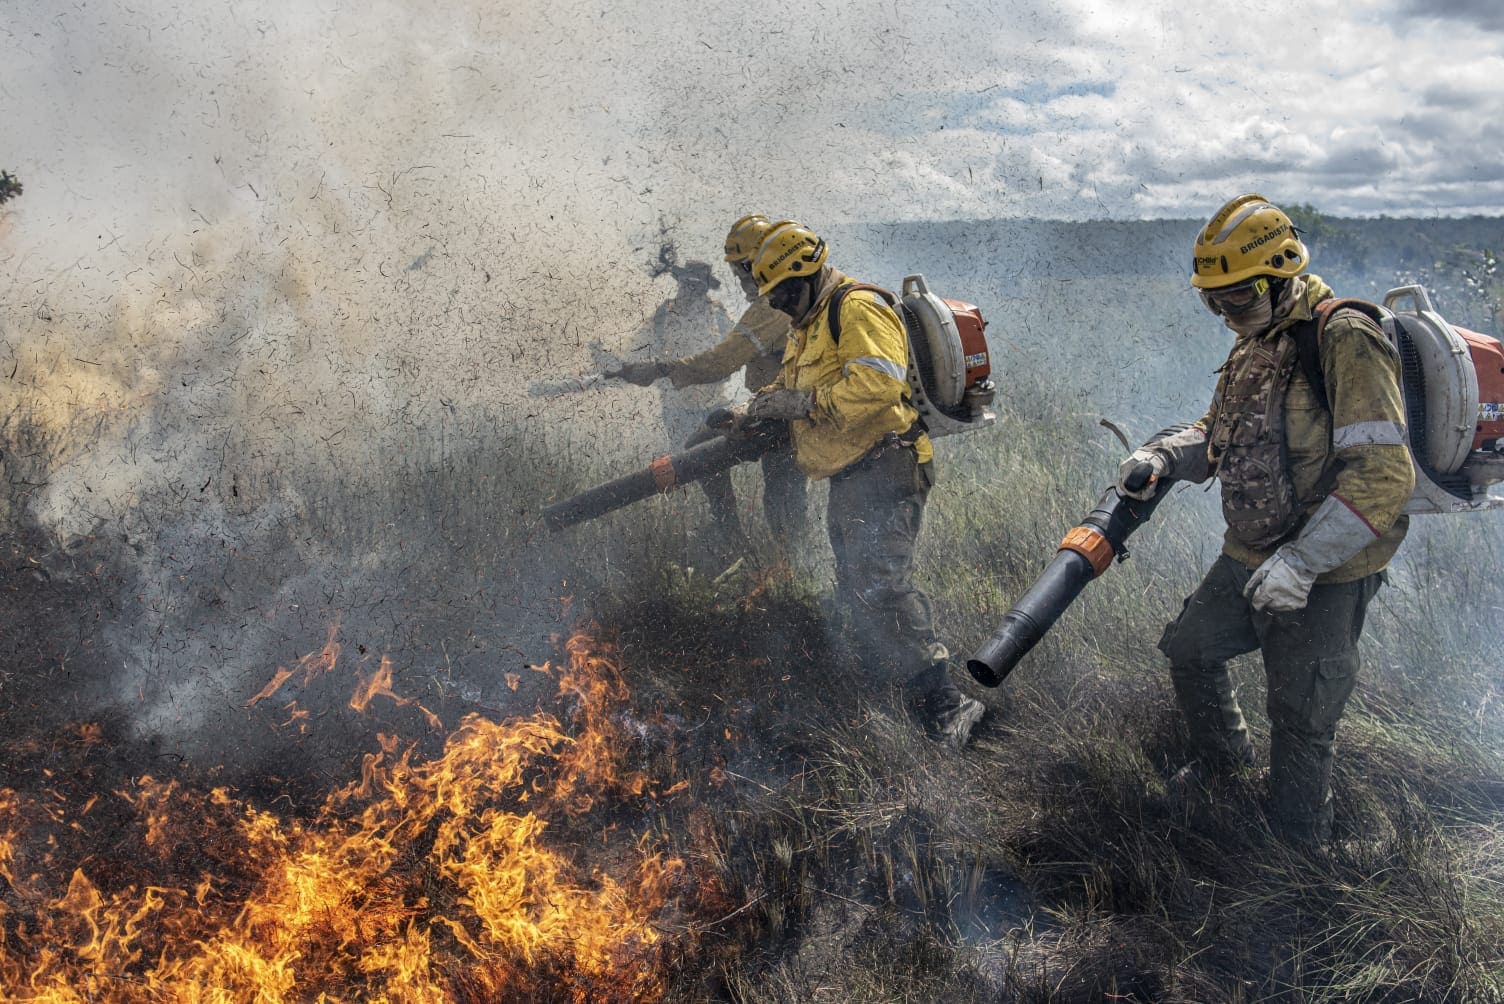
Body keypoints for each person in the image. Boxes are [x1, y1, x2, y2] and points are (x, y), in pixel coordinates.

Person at [1117, 193, 1415, 845]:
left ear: (1283, 275)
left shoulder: (1345, 336)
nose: (1225, 315)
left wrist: (1305, 563)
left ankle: (1298, 860)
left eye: (1238, 297)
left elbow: (1385, 474)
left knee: (1301, 718)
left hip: (1328, 572)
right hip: (1250, 553)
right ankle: (1225, 772)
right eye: (1212, 301)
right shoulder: (1255, 338)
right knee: (1190, 648)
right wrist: (1163, 456)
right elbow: (1221, 430)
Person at [742, 220, 985, 749]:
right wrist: (755, 406)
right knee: (855, 585)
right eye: (771, 295)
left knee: (881, 584)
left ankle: (949, 704)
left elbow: (877, 386)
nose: (778, 303)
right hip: (849, 474)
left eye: (784, 291)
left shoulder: (855, 308)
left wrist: (804, 405)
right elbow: (791, 384)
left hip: (888, 466)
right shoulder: (806, 324)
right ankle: (891, 688)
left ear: (809, 273)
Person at [616, 216, 808, 547]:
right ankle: (731, 529)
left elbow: (725, 358)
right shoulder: (666, 314)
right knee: (700, 454)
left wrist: (661, 369)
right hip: (745, 404)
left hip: (779, 410)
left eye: (742, 272)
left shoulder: (770, 307)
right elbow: (643, 343)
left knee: (782, 495)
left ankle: (785, 562)